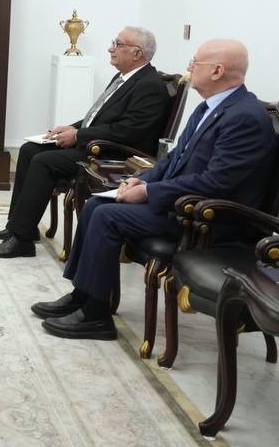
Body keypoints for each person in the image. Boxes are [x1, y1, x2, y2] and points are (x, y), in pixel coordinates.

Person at [32, 39, 277, 340]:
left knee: (107, 216)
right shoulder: (210, 107)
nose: (188, 67)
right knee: (96, 205)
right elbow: (175, 159)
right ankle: (82, 296)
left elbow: (217, 183)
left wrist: (149, 193)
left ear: (217, 71)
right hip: (180, 204)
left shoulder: (244, 117)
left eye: (195, 62)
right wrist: (143, 180)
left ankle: (96, 316)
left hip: (209, 220)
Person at [0, 26, 170, 258]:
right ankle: (20, 226)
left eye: (118, 44)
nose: (110, 48)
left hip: (113, 154)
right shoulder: (123, 78)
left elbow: (128, 132)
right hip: (97, 143)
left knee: (44, 161)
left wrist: (78, 136)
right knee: (30, 150)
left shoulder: (150, 86)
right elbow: (99, 117)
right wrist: (72, 128)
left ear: (137, 53)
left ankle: (22, 242)